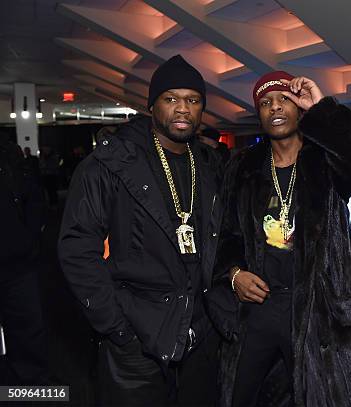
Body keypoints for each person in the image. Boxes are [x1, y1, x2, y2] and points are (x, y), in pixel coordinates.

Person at [58, 55, 225, 406]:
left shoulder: (210, 164)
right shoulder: (110, 163)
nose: (183, 109)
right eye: (171, 99)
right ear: (152, 105)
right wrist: (117, 328)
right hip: (137, 338)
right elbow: (77, 248)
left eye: (193, 101)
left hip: (201, 335)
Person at [208, 71, 351, 406]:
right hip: (258, 309)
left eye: (284, 99)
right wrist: (233, 275)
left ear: (298, 107)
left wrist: (322, 110)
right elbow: (225, 233)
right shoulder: (242, 166)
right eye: (265, 102)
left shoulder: (324, 159)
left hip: (318, 310)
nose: (275, 107)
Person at [0, 133, 48, 385]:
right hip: (19, 258)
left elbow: (33, 197)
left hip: (17, 263)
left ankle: (32, 387)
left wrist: (28, 238)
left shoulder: (7, 152)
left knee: (28, 329)